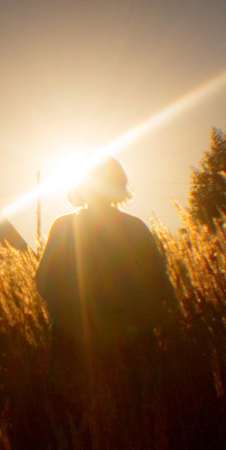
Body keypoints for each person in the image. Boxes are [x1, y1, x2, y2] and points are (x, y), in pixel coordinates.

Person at [35, 154, 176, 409]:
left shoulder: (64, 227)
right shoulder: (137, 229)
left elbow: (44, 282)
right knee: (130, 419)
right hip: (131, 348)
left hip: (72, 346)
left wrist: (73, 316)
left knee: (75, 426)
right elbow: (161, 288)